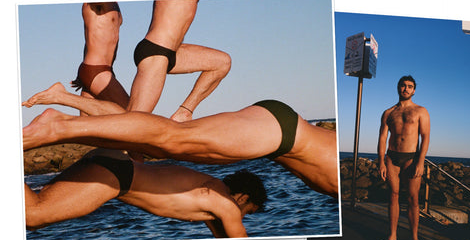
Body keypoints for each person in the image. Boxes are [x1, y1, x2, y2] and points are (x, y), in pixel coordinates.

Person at [22, 83, 339, 198]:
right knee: (171, 139)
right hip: (283, 134)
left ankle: (65, 113)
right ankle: (58, 127)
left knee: (157, 145)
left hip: (278, 133)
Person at [24, 148, 267, 238]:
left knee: (31, 220)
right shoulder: (226, 205)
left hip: (113, 161)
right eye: (248, 212)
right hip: (117, 177)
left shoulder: (211, 192)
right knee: (33, 215)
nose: (242, 217)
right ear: (243, 198)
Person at [129, 0, 232, 122]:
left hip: (174, 52)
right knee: (135, 120)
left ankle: (184, 112)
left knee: (222, 62)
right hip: (155, 51)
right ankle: (100, 125)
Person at [377, 75, 430, 240]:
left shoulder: (421, 111)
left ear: (414, 90)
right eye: (403, 86)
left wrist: (421, 162)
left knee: (413, 199)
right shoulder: (388, 113)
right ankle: (392, 235)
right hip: (392, 157)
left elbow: (425, 137)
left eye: (409, 86)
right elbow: (383, 138)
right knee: (393, 195)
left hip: (411, 158)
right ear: (398, 88)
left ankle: (415, 238)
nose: (406, 89)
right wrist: (381, 162)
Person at [71, 2, 130, 111]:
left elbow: (90, 38)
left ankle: (47, 123)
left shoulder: (114, 4)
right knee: (133, 115)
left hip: (98, 70)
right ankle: (59, 99)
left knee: (88, 126)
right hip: (96, 70)